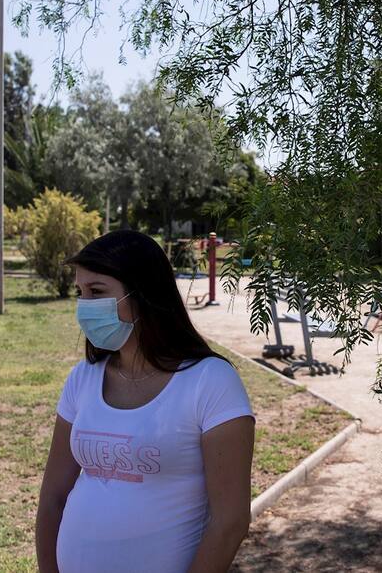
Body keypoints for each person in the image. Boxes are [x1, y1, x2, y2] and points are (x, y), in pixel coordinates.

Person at [35, 230, 255, 573]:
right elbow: (52, 497)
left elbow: (230, 521)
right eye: (80, 293)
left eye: (97, 292)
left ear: (143, 294)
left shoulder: (210, 381)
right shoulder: (83, 378)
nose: (84, 306)